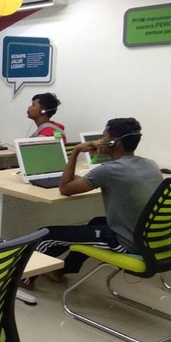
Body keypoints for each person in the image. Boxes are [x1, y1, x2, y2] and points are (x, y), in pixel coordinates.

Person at [26, 118, 163, 287]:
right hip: (150, 239)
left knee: (46, 234)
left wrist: (76, 151)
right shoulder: (151, 164)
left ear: (115, 143)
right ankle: (60, 271)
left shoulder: (108, 170)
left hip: (127, 242)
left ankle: (24, 279)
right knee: (96, 223)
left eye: (104, 136)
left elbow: (65, 188)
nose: (100, 140)